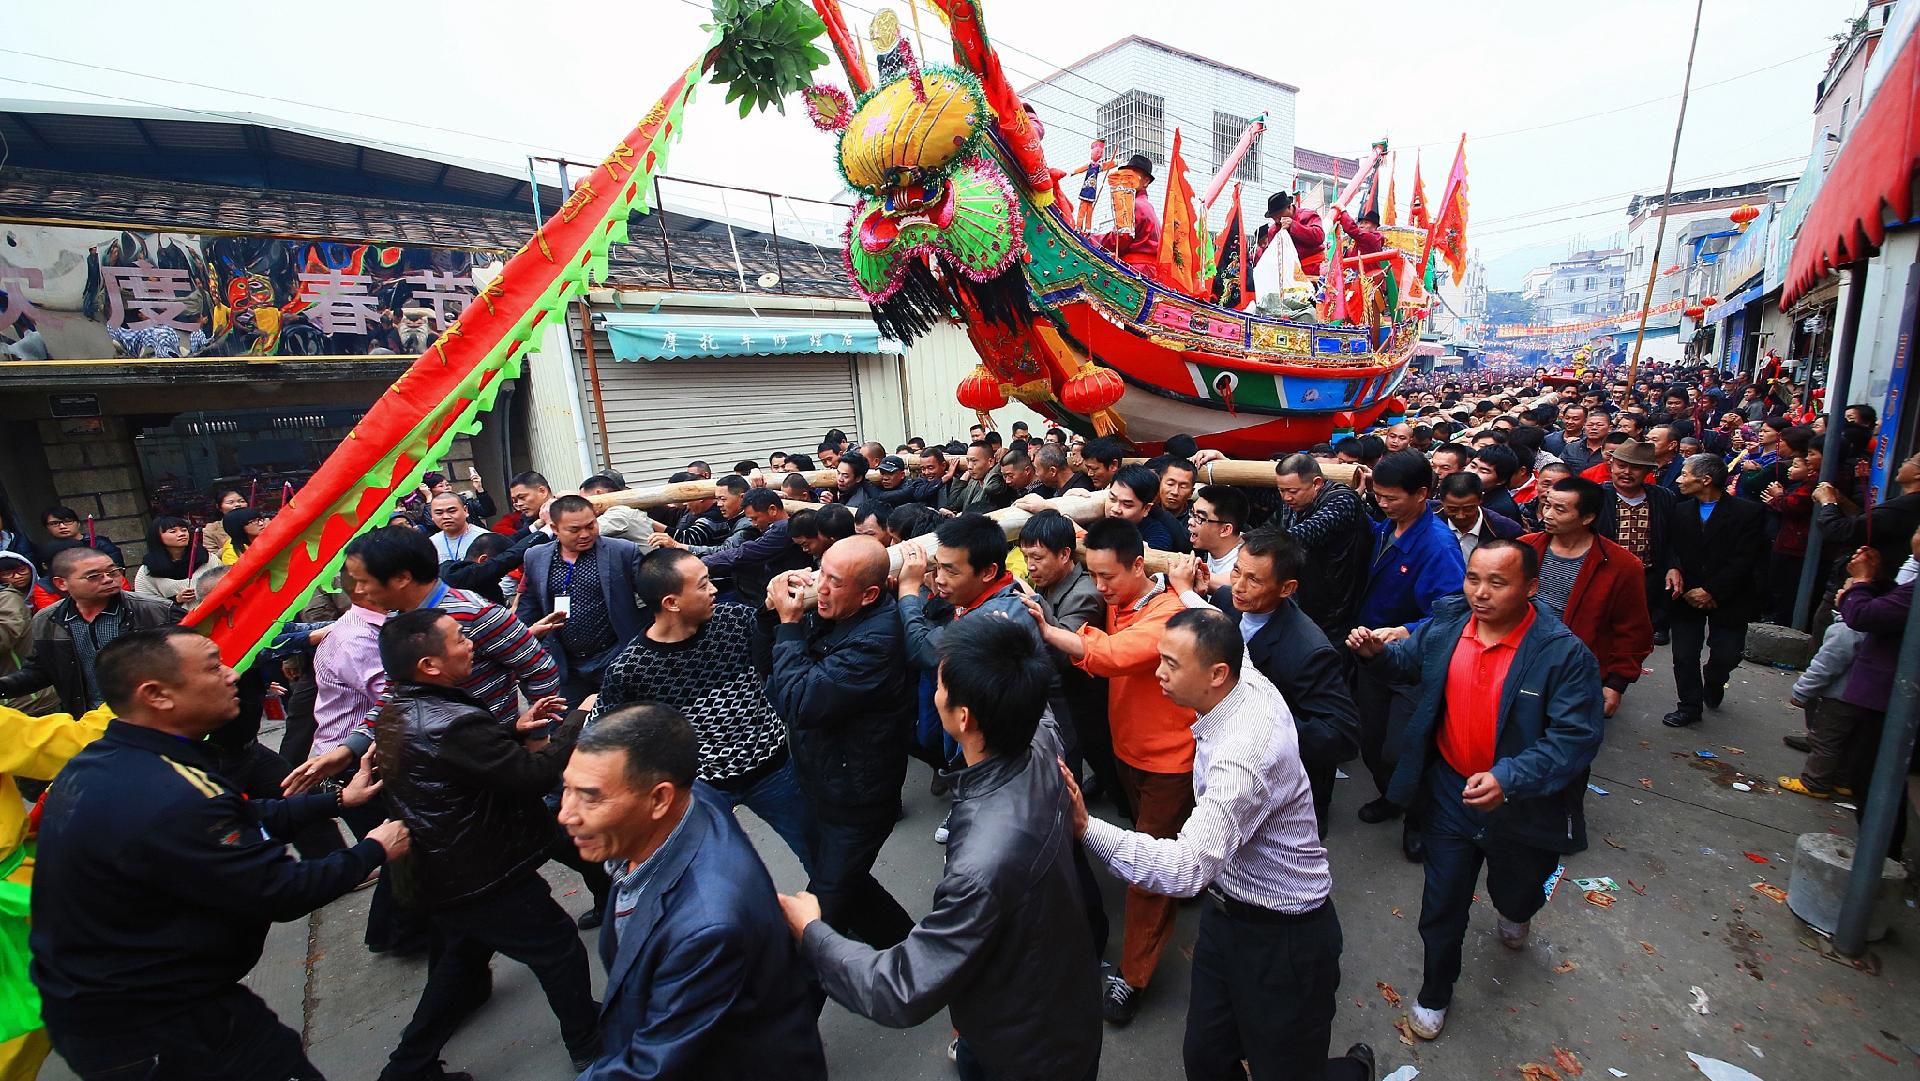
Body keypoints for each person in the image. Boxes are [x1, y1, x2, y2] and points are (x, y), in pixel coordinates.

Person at [31, 627, 406, 1079]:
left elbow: (238, 816)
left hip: (130, 1004)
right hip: (157, 1024)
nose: (232, 675)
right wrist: (374, 848)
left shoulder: (115, 759)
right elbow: (280, 889)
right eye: (213, 666)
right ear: (157, 694)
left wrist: (337, 801)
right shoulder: (167, 793)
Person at [782, 616, 1101, 1081]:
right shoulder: (1037, 735)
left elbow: (900, 987)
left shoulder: (982, 862)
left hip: (1025, 1044)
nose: (934, 690)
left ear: (963, 716)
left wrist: (812, 933)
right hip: (1057, 992)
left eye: (939, 682)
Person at [1062, 607, 1374, 1081]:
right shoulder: (1239, 676)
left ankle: (1354, 1071)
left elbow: (1187, 869)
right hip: (1227, 916)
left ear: (1216, 673)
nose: (1158, 673)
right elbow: (1210, 614)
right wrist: (1187, 580)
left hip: (1285, 936)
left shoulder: (1242, 757)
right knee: (1206, 1059)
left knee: (1285, 1071)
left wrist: (1087, 828)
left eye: (1170, 664)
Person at [1347, 541, 1603, 1041]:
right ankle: (1435, 992)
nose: (1480, 594)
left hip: (1525, 807)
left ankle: (1517, 911)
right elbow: (1409, 665)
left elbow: (1575, 737)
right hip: (1450, 793)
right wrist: (1379, 657)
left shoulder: (1563, 654)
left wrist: (1510, 778)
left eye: (1497, 583)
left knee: (1519, 889)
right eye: (1473, 579)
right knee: (1442, 902)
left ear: (1531, 588)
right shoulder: (1447, 626)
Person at [372, 609, 599, 1080]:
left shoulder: (400, 708)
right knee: (557, 950)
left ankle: (406, 1067)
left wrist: (511, 730)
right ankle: (589, 1043)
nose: (471, 643)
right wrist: (578, 720)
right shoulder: (450, 722)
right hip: (480, 870)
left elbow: (451, 760)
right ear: (429, 665)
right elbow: (531, 776)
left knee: (458, 964)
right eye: (458, 638)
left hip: (441, 869)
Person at [564, 704, 829, 1079]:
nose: (566, 814)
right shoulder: (693, 799)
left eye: (590, 797)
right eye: (567, 790)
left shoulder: (706, 927)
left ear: (659, 799)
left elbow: (649, 1067)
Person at [1022, 519, 1193, 1026]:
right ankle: (1194, 874)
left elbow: (1115, 654)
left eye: (1107, 577)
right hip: (1130, 754)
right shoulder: (1122, 602)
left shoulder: (1169, 613)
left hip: (1168, 761)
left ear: (1139, 565)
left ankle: (1133, 978)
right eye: (1092, 575)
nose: (1099, 589)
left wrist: (1048, 629)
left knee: (1147, 870)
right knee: (1163, 847)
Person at [591, 549, 812, 867]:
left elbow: (771, 629)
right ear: (671, 602)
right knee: (718, 876)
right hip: (705, 791)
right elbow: (603, 733)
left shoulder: (733, 621)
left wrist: (788, 589)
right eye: (703, 584)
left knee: (819, 855)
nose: (714, 590)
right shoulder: (631, 668)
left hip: (775, 772)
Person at [763, 536, 916, 948]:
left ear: (869, 593)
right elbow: (775, 671)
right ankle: (908, 949)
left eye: (834, 580)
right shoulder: (837, 611)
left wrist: (791, 626)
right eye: (820, 572)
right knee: (848, 884)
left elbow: (799, 701)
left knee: (821, 912)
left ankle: (794, 1005)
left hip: (857, 797)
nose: (820, 587)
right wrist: (782, 609)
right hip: (823, 781)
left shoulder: (878, 639)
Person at [1175, 531, 1360, 838]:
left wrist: (1262, 727)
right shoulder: (1226, 602)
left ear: (1287, 588)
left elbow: (1340, 735)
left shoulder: (1308, 650)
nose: (1239, 586)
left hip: (1281, 787)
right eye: (1237, 571)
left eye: (1254, 580)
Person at [1351, 451, 1467, 860]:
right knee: (1371, 740)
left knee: (1401, 748)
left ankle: (1418, 817)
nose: (1382, 504)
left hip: (1413, 663)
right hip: (1372, 655)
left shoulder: (1437, 544)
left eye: (1390, 498)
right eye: (1378, 497)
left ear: (1422, 494)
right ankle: (1391, 798)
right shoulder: (1387, 528)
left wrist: (1408, 630)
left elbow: (1452, 610)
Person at [1522, 478, 1653, 719]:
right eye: (1546, 505)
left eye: (1559, 509)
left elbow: (1633, 630)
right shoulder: (1525, 549)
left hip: (1577, 672)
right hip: (1521, 662)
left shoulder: (1621, 565)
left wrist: (1616, 683)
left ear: (1587, 518)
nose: (1547, 514)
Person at [1020, 510, 1120, 813]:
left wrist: (1033, 602)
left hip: (1084, 697)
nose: (1030, 566)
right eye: (1025, 557)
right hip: (1064, 694)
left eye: (1037, 557)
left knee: (1095, 755)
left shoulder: (1085, 594)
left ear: (1065, 554)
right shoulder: (1050, 579)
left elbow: (1065, 652)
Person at [0, 547, 177, 716]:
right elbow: (42, 670)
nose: (108, 579)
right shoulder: (48, 620)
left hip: (156, 712)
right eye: (93, 576)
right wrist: (6, 686)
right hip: (89, 718)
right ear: (61, 583)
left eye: (113, 572)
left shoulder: (157, 610)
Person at [1662, 454, 1768, 728]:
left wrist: (1711, 590)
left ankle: (1715, 678)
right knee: (1684, 655)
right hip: (1684, 593)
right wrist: (1673, 568)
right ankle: (1689, 705)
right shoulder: (1680, 510)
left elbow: (1745, 559)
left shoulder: (1748, 513)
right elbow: (1670, 546)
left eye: (1685, 474)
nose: (1679, 479)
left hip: (1730, 595)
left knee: (1727, 653)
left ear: (1705, 479)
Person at [516, 494, 646, 704]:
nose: (585, 534)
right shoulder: (535, 556)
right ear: (555, 528)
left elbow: (649, 595)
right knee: (569, 727)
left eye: (590, 525)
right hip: (565, 662)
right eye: (575, 530)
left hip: (614, 656)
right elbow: (529, 606)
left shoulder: (621, 551)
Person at [1271, 453, 1370, 643]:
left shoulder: (1343, 500)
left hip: (1337, 611)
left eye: (1292, 491)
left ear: (1316, 483)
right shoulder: (1293, 501)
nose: (1286, 497)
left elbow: (1307, 532)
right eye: (1281, 491)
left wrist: (1253, 543)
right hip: (1304, 601)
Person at [1593, 440, 1675, 645]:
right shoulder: (1596, 495)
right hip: (1604, 574)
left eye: (1635, 468)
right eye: (1621, 465)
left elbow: (1673, 537)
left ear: (1647, 471)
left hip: (1645, 575)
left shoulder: (1662, 497)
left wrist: (1674, 566)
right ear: (1611, 465)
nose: (1627, 472)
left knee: (1633, 633)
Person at [696, 488, 810, 611]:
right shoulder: (777, 528)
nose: (754, 524)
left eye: (755, 518)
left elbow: (743, 553)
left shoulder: (783, 529)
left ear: (773, 510)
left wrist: (701, 564)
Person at [1091, 154, 1162, 269]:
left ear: (1146, 181)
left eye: (1133, 174)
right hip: (1149, 270)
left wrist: (1091, 239)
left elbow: (1120, 239)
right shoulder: (1148, 207)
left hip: (1136, 269)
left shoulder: (1135, 205)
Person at [1435, 472, 1522, 564]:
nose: (1461, 515)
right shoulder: (1427, 524)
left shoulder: (1506, 531)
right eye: (1453, 509)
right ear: (1441, 500)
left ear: (1481, 499)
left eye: (1468, 509)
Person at [1106, 465, 1190, 553]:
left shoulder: (1157, 538)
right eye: (1112, 499)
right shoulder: (1095, 523)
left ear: (1146, 509)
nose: (1115, 509)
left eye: (1127, 505)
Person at [1254, 191, 1326, 275]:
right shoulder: (1273, 230)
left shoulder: (1308, 215)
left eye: (1279, 215)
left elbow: (1319, 236)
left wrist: (1294, 226)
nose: (1277, 220)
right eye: (1274, 218)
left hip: (1315, 269)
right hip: (1289, 274)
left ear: (1289, 207)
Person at [1187, 484, 1247, 579]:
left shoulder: (1246, 565)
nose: (1190, 521)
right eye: (1192, 514)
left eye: (1199, 518)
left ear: (1225, 530)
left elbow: (1230, 582)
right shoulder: (1208, 547)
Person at [36, 507, 123, 571]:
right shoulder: (49, 550)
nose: (62, 526)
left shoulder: (100, 543)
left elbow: (117, 569)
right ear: (47, 528)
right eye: (55, 523)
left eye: (68, 521)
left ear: (78, 523)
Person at [943, 442, 1013, 514]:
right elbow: (952, 505)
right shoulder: (973, 483)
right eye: (968, 461)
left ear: (991, 462)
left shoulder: (998, 483)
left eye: (974, 461)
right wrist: (961, 480)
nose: (969, 466)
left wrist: (1000, 463)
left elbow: (989, 487)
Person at [426, 491, 489, 564]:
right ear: (432, 516)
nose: (446, 517)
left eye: (452, 511)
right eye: (439, 513)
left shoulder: (486, 539)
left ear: (465, 510)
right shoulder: (430, 543)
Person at [1557, 409, 1614, 475]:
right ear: (1584, 426)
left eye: (1599, 425)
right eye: (1590, 425)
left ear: (1610, 428)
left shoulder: (1614, 450)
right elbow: (1559, 469)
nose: (1594, 428)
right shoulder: (1571, 448)